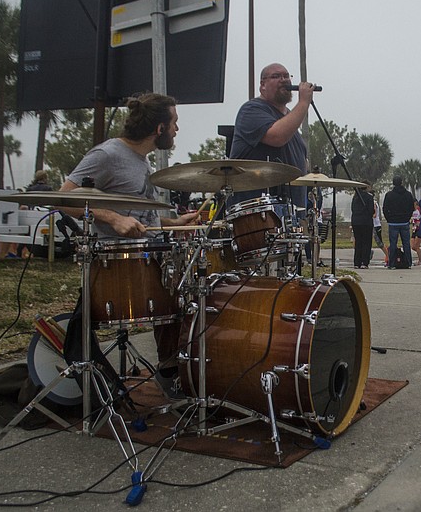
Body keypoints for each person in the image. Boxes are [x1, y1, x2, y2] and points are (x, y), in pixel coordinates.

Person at [60, 92, 199, 399]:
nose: (177, 129)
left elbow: (142, 219)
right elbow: (64, 198)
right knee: (179, 298)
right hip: (116, 263)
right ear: (159, 129)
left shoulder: (141, 161)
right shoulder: (107, 154)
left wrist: (175, 224)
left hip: (148, 255)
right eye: (174, 122)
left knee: (190, 294)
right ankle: (170, 371)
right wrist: (110, 217)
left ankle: (172, 369)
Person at [229, 63, 315, 211]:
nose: (284, 79)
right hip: (258, 214)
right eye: (276, 76)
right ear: (262, 85)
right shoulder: (251, 110)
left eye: (286, 76)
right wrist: (303, 102)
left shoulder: (290, 118)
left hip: (292, 216)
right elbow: (277, 137)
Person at [382, 175, 415, 269]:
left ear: (393, 183)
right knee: (406, 243)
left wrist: (389, 218)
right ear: (401, 182)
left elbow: (385, 208)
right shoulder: (408, 194)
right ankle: (408, 262)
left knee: (393, 243)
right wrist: (407, 218)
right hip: (404, 222)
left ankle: (392, 263)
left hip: (393, 222)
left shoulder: (389, 195)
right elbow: (411, 208)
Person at [350, 181, 374, 269]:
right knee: (366, 242)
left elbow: (352, 209)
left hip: (356, 222)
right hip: (366, 222)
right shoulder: (369, 197)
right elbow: (371, 211)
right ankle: (365, 262)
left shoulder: (355, 198)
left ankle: (357, 262)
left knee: (358, 242)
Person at [371, 196, 388, 266]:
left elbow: (374, 215)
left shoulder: (374, 203)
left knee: (379, 242)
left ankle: (388, 256)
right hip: (372, 225)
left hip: (376, 225)